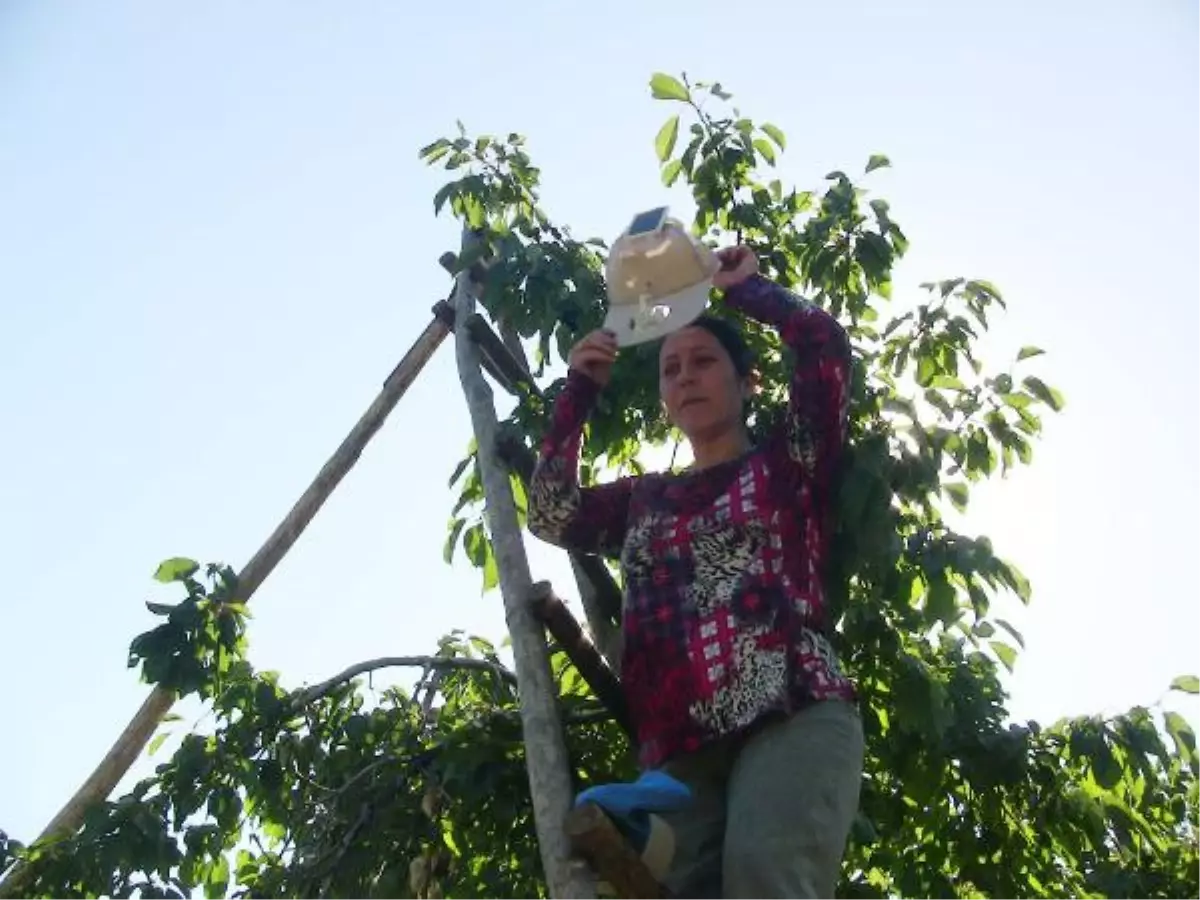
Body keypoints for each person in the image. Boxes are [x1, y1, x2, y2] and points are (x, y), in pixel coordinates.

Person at [527, 244, 863, 900]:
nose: (685, 376)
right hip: (676, 750)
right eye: (671, 368)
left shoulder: (786, 465)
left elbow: (824, 347)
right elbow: (549, 512)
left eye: (704, 361)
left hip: (789, 709)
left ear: (746, 382)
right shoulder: (644, 500)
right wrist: (578, 393)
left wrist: (747, 290)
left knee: (764, 879)